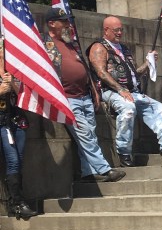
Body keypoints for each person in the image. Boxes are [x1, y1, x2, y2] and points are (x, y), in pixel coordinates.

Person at [88, 17, 162, 167]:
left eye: (121, 29)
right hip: (110, 91)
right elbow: (101, 73)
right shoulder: (99, 47)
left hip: (132, 91)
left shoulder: (124, 49)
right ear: (106, 30)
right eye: (116, 30)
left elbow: (134, 74)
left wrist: (148, 63)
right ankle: (124, 152)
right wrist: (120, 89)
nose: (120, 33)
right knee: (128, 109)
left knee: (159, 108)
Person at [43, 10, 125, 184]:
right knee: (85, 133)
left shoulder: (70, 43)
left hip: (84, 96)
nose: (67, 24)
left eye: (68, 21)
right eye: (63, 21)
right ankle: (104, 169)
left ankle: (87, 172)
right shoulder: (45, 43)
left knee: (90, 135)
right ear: (52, 23)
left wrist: (94, 91)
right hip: (66, 98)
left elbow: (85, 69)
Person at [0, 44, 35, 220]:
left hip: (17, 119)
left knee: (19, 160)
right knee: (12, 160)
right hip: (2, 121)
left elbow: (23, 95)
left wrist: (11, 82)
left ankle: (18, 199)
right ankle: (17, 202)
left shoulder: (14, 70)